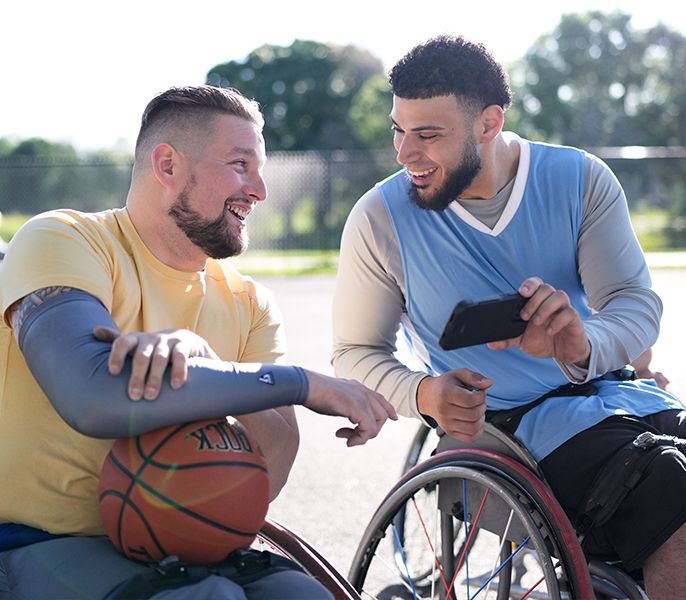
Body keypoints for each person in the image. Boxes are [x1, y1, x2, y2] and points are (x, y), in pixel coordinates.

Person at [0, 84, 396, 600]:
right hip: (38, 542)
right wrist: (297, 383)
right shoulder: (65, 239)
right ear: (167, 165)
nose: (260, 191)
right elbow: (91, 397)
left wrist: (204, 363)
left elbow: (271, 462)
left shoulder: (250, 302)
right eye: (240, 165)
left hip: (189, 542)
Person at [331, 35, 685, 599]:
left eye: (427, 135)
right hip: (507, 432)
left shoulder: (579, 179)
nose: (404, 153)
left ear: (489, 123)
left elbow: (633, 304)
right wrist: (425, 395)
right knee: (670, 492)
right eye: (398, 130)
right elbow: (354, 351)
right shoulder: (380, 217)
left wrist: (580, 344)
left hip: (619, 399)